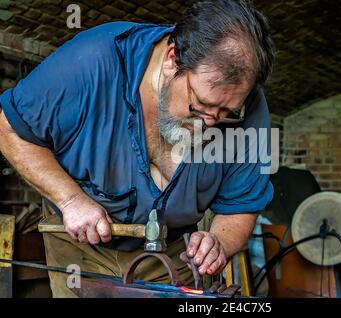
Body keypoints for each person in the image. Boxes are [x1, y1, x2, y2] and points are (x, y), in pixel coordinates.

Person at [0, 0, 275, 297]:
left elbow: (242, 203)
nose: (210, 122)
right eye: (202, 105)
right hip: (80, 249)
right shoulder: (92, 61)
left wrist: (219, 242)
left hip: (176, 256)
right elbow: (10, 128)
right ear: (173, 59)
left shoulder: (250, 109)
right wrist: (70, 201)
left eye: (227, 112)